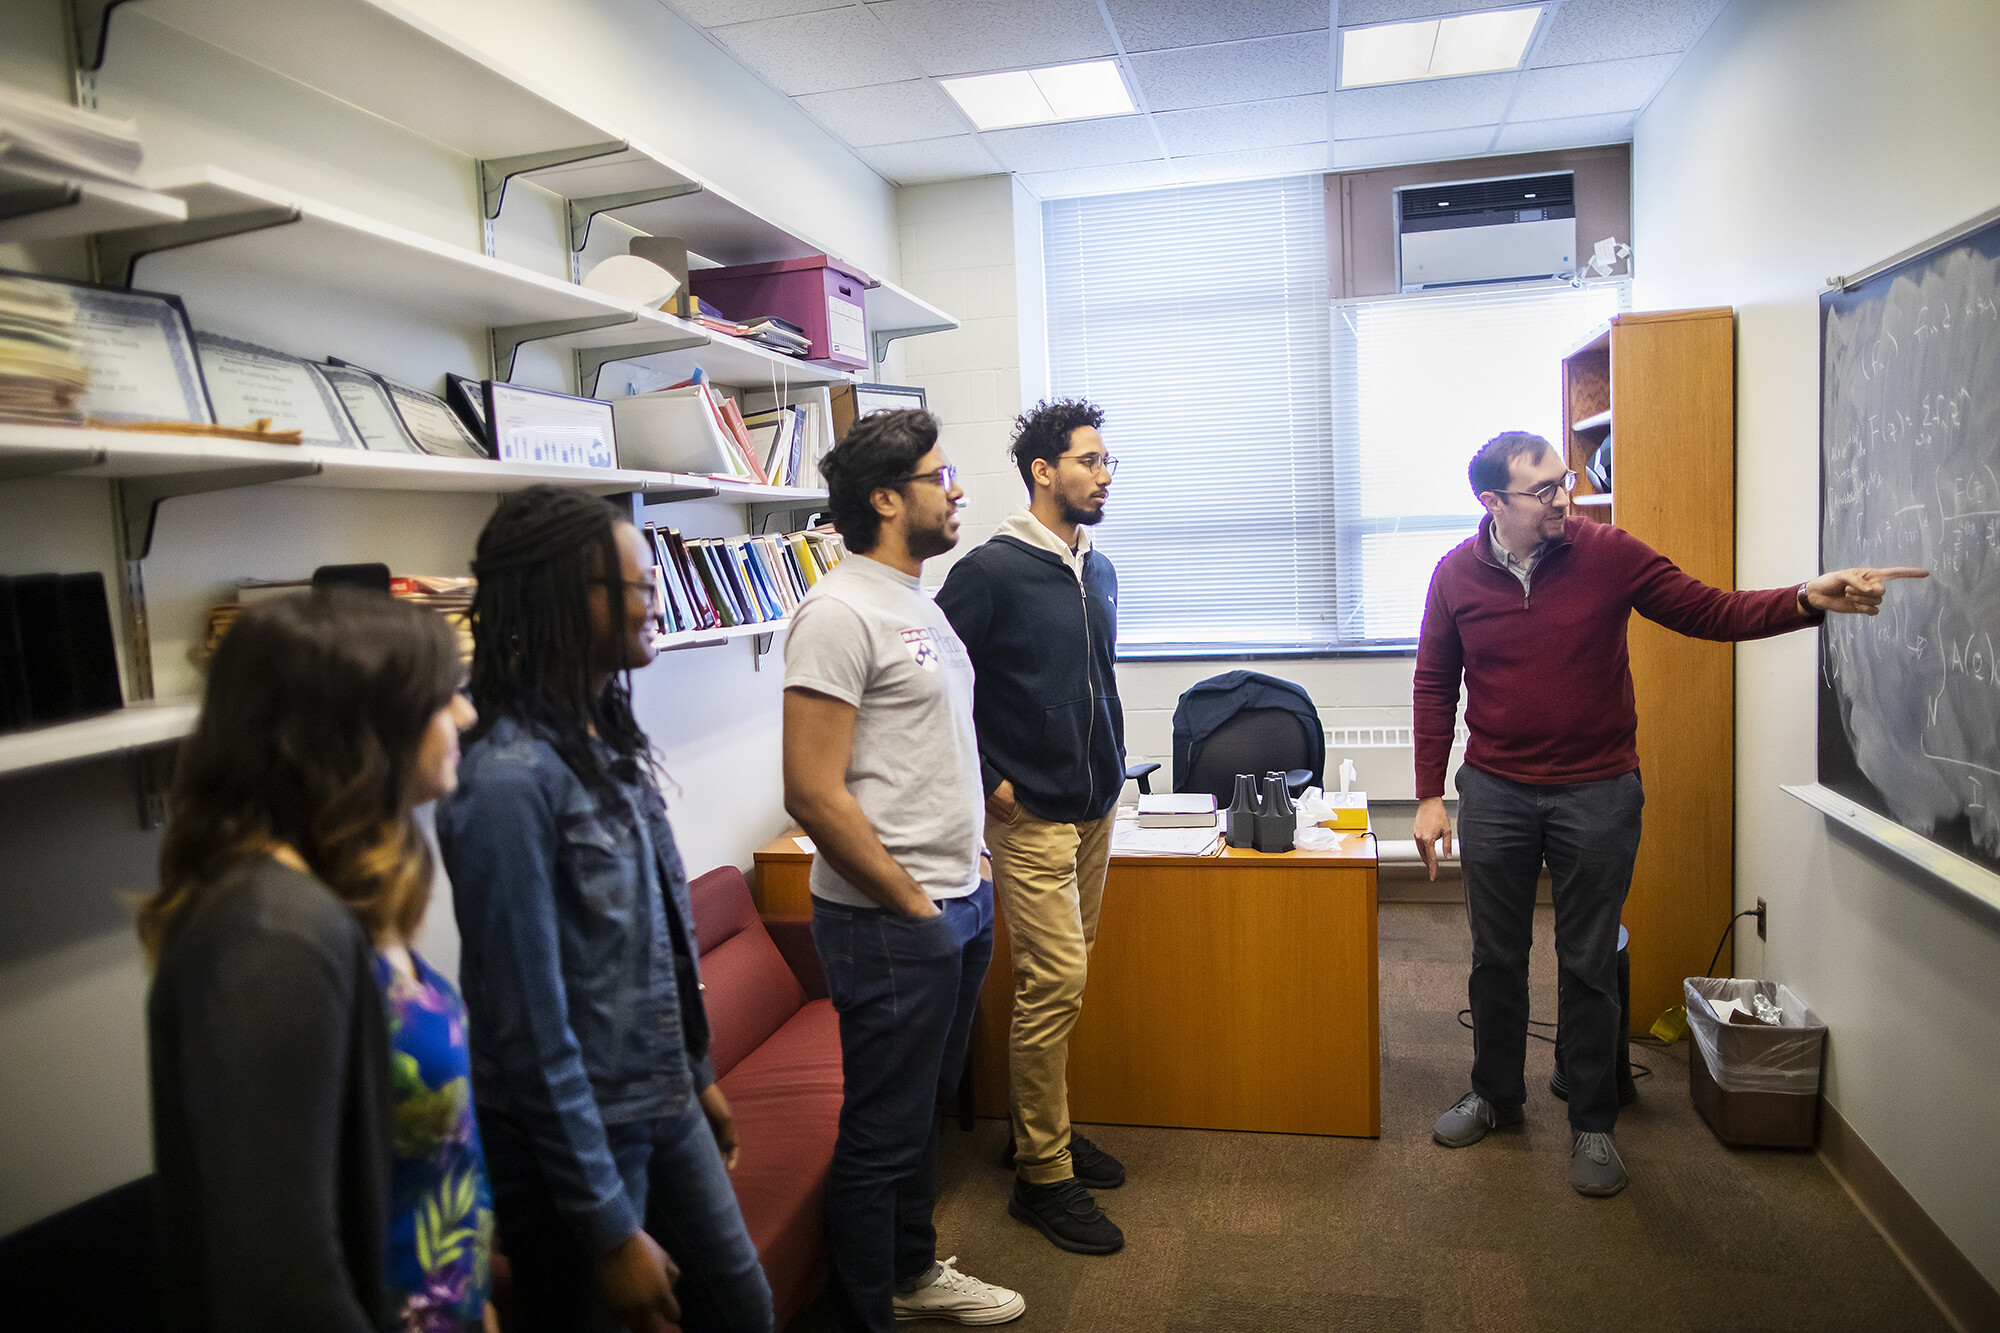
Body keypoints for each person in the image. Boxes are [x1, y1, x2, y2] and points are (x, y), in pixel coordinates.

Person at [1412, 431, 1926, 1197]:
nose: (1566, 497)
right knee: (1496, 957)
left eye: (1566, 479)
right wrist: (1428, 794)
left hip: (1598, 791)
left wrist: (1803, 599)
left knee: (1589, 963)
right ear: (1493, 503)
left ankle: (1591, 1121)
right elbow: (1434, 684)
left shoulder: (1608, 553)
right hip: (1496, 791)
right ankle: (1495, 1095)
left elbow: (1709, 610)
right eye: (1545, 489)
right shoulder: (1454, 575)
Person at [437, 486, 771, 1333]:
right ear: (559, 597)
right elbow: (528, 1030)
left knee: (741, 1306)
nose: (652, 595)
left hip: (660, 1098)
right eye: (632, 584)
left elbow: (649, 939)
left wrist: (693, 1072)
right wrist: (608, 1224)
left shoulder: (603, 738)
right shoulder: (506, 780)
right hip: (571, 1144)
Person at [142, 589, 492, 1332]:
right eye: (444, 697)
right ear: (359, 727)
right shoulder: (271, 938)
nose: (466, 715)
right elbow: (279, 1283)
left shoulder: (340, 896)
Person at [782, 409, 1025, 1330]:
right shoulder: (837, 612)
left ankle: (913, 1273)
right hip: (893, 920)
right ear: (887, 499)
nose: (957, 486)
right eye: (941, 472)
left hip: (960, 899)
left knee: (920, 1108)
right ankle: (865, 1312)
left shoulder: (914, 599)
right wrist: (912, 900)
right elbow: (811, 789)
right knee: (882, 1127)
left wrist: (968, 878)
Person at [935, 398, 1128, 1255]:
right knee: (1054, 982)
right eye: (1090, 460)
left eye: (1108, 460)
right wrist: (987, 778)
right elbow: (935, 682)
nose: (1105, 474)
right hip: (1032, 815)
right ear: (1044, 471)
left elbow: (1095, 684)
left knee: (1066, 978)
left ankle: (1034, 1127)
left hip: (1095, 809)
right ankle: (1042, 1174)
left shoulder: (1100, 567)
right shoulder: (991, 571)